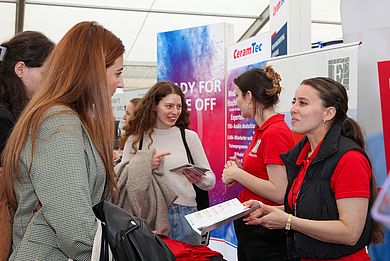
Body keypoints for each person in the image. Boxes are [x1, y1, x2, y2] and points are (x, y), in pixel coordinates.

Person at [1, 21, 125, 260]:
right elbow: (74, 228)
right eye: (117, 73)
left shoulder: (66, 119)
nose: (121, 83)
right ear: (94, 72)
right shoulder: (58, 122)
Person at [244, 77, 383, 260]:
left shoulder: (350, 159)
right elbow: (309, 209)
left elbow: (350, 233)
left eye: (303, 103)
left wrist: (288, 222)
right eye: (294, 101)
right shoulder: (303, 155)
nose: (293, 109)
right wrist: (269, 208)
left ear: (328, 113)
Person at [121, 81, 216, 244]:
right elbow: (122, 178)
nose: (175, 112)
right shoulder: (136, 140)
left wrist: (199, 178)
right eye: (169, 106)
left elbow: (211, 181)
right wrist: (145, 166)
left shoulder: (189, 137)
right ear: (154, 106)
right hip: (150, 216)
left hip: (187, 216)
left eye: (178, 107)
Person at [222, 66, 295, 261]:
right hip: (254, 227)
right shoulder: (263, 130)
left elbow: (280, 191)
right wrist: (243, 169)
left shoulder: (274, 132)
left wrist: (238, 175)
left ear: (248, 96)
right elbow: (267, 173)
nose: (236, 102)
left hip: (266, 231)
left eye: (237, 96)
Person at [0, 31, 54, 156]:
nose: (50, 82)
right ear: (20, 69)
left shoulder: (12, 107)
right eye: (46, 74)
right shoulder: (3, 120)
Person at [113, 97, 142, 163]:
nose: (123, 117)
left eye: (128, 113)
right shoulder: (131, 138)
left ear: (137, 117)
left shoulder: (139, 141)